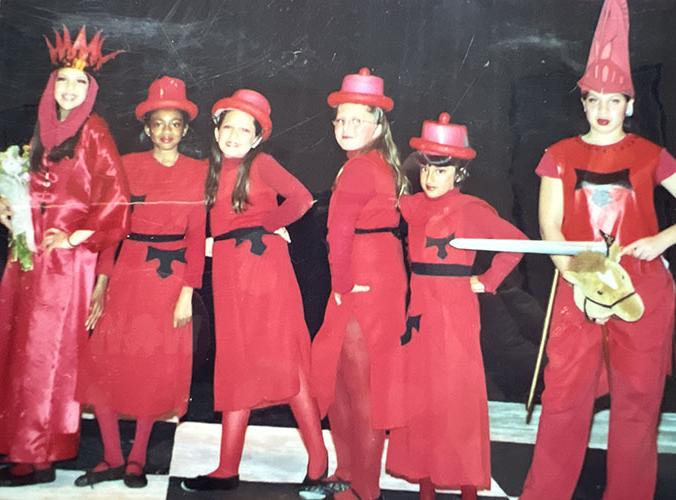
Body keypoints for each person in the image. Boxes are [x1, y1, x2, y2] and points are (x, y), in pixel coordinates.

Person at [520, 1, 676, 499]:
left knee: (636, 402)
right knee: (564, 397)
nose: (604, 109)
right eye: (594, 99)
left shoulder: (651, 155)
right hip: (578, 280)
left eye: (614, 100)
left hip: (641, 288)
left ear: (629, 104)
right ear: (583, 103)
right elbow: (549, 224)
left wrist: (661, 239)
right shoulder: (558, 155)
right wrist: (573, 271)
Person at [0, 26, 128, 486]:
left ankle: (38, 457)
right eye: (63, 82)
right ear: (50, 86)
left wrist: (76, 239)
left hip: (64, 266)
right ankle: (21, 444)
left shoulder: (93, 131)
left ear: (91, 92)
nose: (70, 91)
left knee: (46, 356)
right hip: (28, 257)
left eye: (80, 85)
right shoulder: (42, 129)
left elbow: (117, 201)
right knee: (19, 349)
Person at [182, 89, 328, 491]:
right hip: (229, 272)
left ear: (257, 137)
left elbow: (301, 199)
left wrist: (265, 224)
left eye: (244, 129)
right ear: (217, 131)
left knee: (286, 359)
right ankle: (227, 468)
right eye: (228, 126)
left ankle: (319, 462)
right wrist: (215, 242)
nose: (234, 134)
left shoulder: (262, 163)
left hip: (265, 269)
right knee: (236, 361)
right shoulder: (208, 169)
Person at [385, 113, 526, 500]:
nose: (431, 178)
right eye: (427, 168)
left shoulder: (471, 209)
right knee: (422, 396)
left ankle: (467, 488)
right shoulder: (412, 207)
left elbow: (514, 244)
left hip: (456, 313)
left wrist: (486, 281)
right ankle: (426, 484)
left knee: (457, 397)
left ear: (458, 174)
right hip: (419, 312)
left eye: (441, 171)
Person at [74, 76, 206, 488]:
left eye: (175, 123)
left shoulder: (199, 171)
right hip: (127, 273)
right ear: (147, 127)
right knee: (106, 363)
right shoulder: (127, 165)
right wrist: (101, 283)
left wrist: (188, 291)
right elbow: (113, 229)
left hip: (169, 282)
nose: (166, 131)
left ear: (185, 129)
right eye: (158, 123)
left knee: (154, 365)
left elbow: (197, 238)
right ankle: (111, 455)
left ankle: (135, 458)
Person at [310, 68, 408, 500]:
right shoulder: (375, 165)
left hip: (361, 283)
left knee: (358, 388)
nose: (346, 128)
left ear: (377, 123)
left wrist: (343, 285)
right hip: (376, 278)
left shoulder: (358, 171)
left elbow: (338, 235)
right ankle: (349, 474)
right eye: (340, 120)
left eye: (356, 120)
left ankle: (364, 488)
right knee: (347, 385)